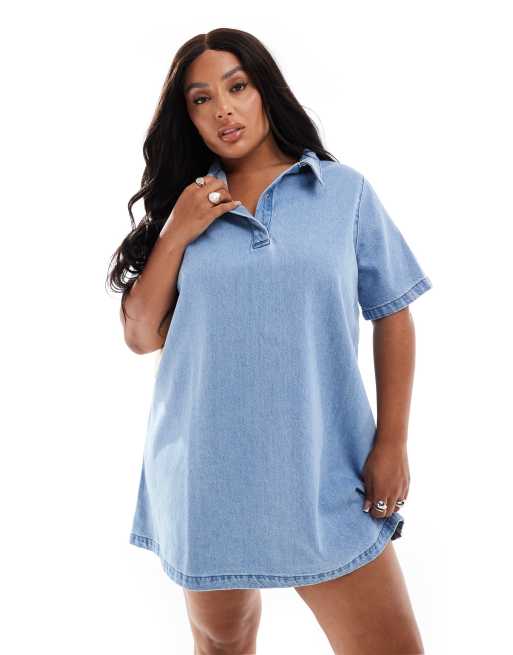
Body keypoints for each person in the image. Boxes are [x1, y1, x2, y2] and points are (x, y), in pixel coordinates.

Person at [107, 27, 432, 655]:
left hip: (325, 470)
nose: (223, 110)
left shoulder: (342, 193)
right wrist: (177, 229)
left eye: (237, 87)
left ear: (265, 91)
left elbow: (393, 314)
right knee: (223, 644)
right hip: (207, 474)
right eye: (201, 99)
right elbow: (141, 335)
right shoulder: (187, 207)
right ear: (187, 117)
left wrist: (392, 444)